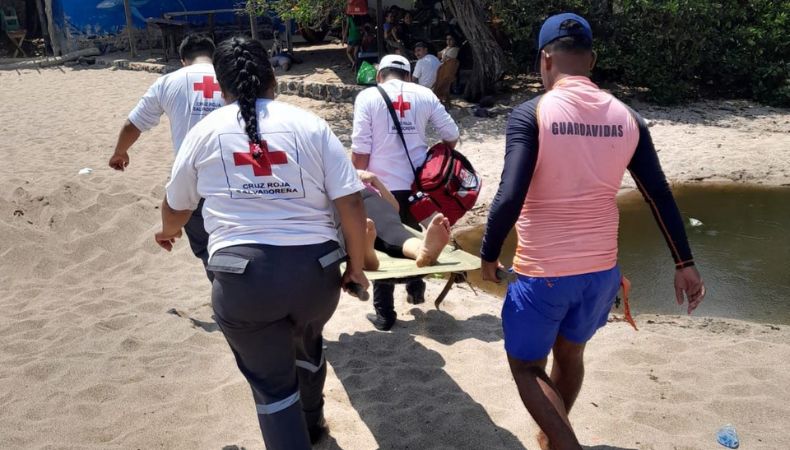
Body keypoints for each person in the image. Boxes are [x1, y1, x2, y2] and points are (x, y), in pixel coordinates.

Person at [479, 14, 706, 450]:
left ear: (545, 60)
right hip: (602, 274)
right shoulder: (628, 119)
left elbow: (509, 195)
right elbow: (658, 195)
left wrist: (488, 254)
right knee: (571, 355)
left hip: (544, 272)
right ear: (592, 60)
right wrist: (685, 264)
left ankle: (565, 444)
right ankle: (552, 439)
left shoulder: (532, 114)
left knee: (526, 368)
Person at [154, 36, 369, 449]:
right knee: (307, 340)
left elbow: (176, 206)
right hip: (316, 276)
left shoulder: (205, 132)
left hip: (244, 282)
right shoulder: (310, 124)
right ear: (274, 78)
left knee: (273, 389)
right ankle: (315, 425)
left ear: (221, 88)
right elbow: (352, 202)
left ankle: (297, 430)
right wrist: (355, 267)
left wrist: (167, 232)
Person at [351, 54, 459, 331]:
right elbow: (451, 135)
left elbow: (361, 148)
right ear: (409, 76)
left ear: (379, 75)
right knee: (412, 238)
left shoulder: (368, 96)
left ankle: (385, 314)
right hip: (417, 186)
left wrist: (355, 183)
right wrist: (432, 155)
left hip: (380, 188)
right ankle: (416, 288)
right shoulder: (425, 94)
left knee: (386, 245)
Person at [108, 34, 223, 280]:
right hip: (238, 172)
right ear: (213, 56)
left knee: (207, 247)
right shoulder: (230, 76)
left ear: (183, 60)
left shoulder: (168, 82)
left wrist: (120, 152)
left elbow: (133, 124)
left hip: (193, 177)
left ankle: (228, 297)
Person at [357, 169, 450, 271]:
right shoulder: (339, 181)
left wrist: (375, 181)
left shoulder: (358, 175)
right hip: (346, 208)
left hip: (377, 211)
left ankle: (422, 250)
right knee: (386, 228)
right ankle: (364, 253)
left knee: (392, 227)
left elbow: (394, 208)